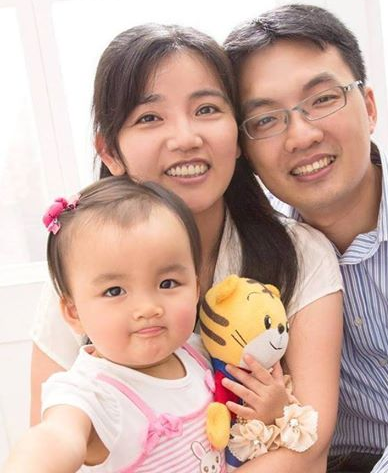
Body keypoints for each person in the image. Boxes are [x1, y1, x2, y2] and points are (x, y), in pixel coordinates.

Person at [29, 24, 344, 472]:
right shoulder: (83, 270)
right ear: (110, 151)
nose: (186, 138)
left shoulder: (300, 253)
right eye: (149, 118)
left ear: (237, 134)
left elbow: (308, 443)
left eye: (206, 109)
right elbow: (53, 433)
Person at [224, 3, 388, 473]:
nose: (301, 136)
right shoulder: (257, 257)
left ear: (369, 107)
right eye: (265, 120)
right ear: (244, 152)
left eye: (323, 99)